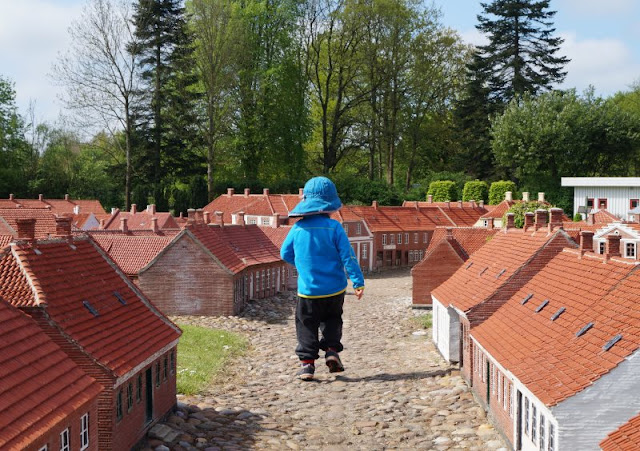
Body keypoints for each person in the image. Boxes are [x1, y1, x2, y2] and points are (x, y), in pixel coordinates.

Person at [281, 176, 365, 381]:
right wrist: (358, 282)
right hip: (335, 289)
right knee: (332, 321)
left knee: (306, 325)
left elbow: (284, 253)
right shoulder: (335, 227)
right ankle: (331, 351)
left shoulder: (297, 228)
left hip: (308, 291)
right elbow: (348, 256)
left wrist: (303, 265)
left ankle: (307, 365)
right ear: (330, 205)